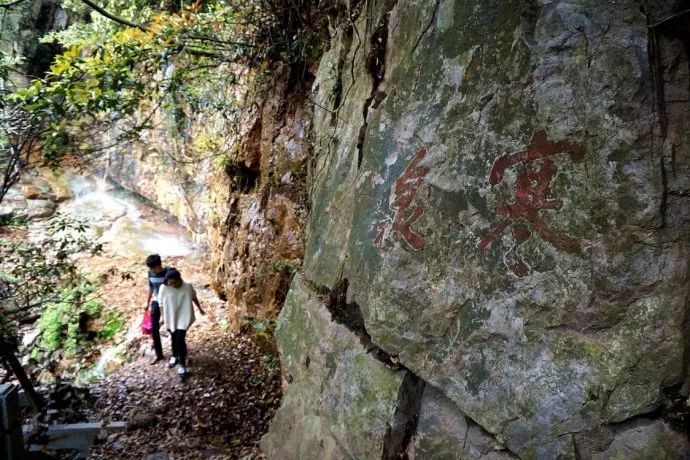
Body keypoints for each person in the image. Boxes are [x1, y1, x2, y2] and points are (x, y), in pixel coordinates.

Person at [158, 268, 205, 377]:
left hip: (184, 316)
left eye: (175, 282)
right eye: (170, 283)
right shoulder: (164, 287)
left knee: (180, 339)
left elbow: (194, 297)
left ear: (179, 278)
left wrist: (200, 309)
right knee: (174, 337)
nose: (173, 285)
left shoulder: (187, 286)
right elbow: (160, 303)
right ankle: (175, 355)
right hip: (170, 317)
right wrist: (162, 318)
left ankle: (182, 364)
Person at [144, 254, 171, 365]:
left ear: (160, 264)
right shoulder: (150, 273)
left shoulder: (169, 271)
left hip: (169, 302)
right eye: (151, 269)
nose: (154, 271)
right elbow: (151, 288)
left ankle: (177, 353)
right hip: (156, 301)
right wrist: (147, 302)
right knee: (154, 329)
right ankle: (159, 354)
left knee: (172, 327)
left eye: (155, 268)